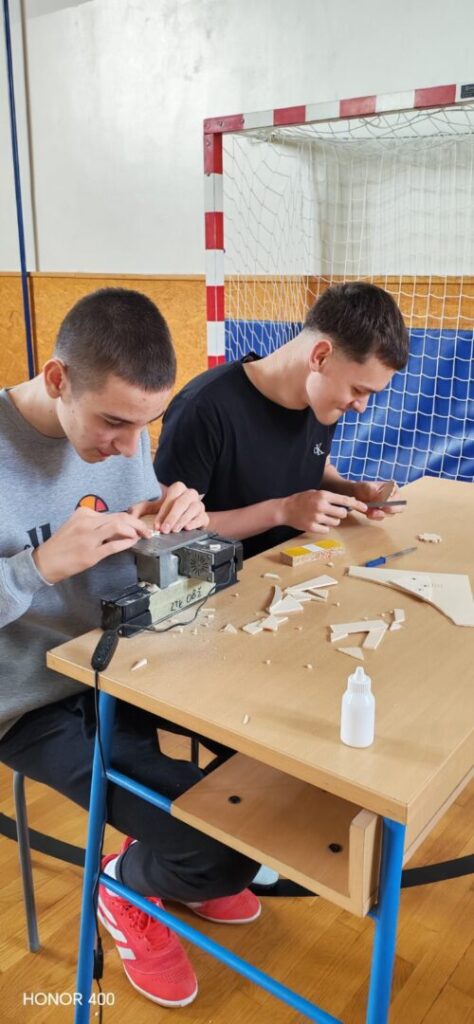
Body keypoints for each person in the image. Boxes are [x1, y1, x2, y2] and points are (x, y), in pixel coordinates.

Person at [0, 288, 261, 1009]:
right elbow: (52, 561)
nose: (127, 444)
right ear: (58, 379)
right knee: (221, 848)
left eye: (145, 425)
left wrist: (175, 517)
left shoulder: (126, 427)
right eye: (115, 422)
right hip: (31, 700)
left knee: (275, 771)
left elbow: (134, 531)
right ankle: (125, 886)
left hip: (127, 663)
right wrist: (38, 566)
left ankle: (176, 867)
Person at [154, 282, 409, 559]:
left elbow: (314, 467)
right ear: (320, 357)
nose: (361, 406)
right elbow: (169, 532)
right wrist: (282, 511)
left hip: (293, 567)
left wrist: (354, 491)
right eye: (358, 390)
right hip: (225, 580)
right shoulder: (203, 408)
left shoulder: (322, 401)